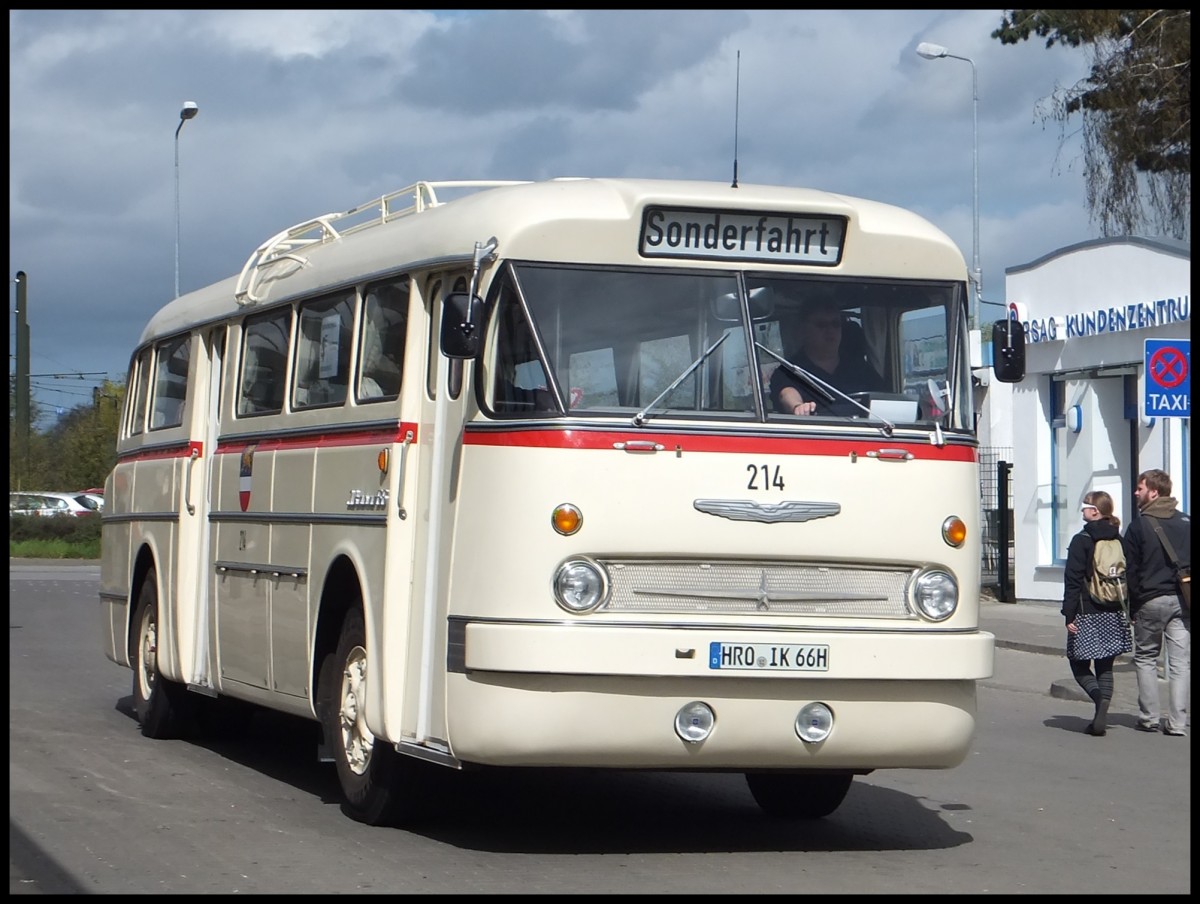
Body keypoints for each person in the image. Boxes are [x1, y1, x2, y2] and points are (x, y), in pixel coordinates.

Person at [1123, 468, 1191, 736]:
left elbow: (1131, 570)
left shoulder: (1139, 525)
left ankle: (1149, 717)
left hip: (1150, 600)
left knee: (1146, 658)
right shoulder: (1186, 521)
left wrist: (1132, 606)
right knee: (1180, 664)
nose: (1136, 493)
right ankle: (1177, 723)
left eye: (1140, 488)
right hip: (1181, 601)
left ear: (1153, 491)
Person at [1061, 490, 1132, 736]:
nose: (1082, 510)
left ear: (1095, 511)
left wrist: (1068, 615)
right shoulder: (1118, 538)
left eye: (1085, 506)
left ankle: (1098, 697)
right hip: (1113, 610)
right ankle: (1101, 711)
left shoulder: (1082, 539)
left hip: (1085, 609)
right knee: (1106, 665)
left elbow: (1072, 579)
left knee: (1077, 662)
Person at [770, 297, 885, 415]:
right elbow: (786, 393)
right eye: (821, 324)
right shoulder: (788, 371)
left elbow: (885, 399)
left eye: (835, 324)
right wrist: (798, 407)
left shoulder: (861, 369)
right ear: (803, 330)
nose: (830, 330)